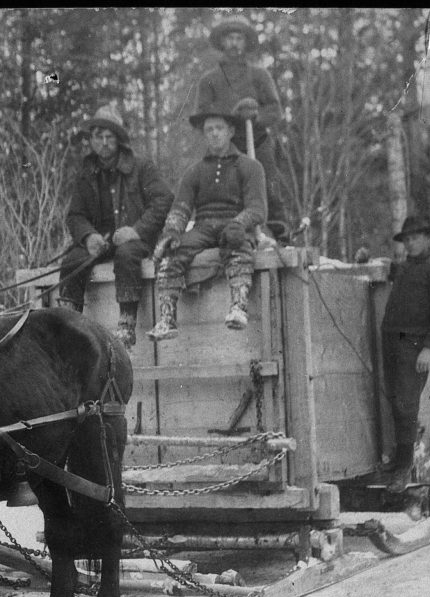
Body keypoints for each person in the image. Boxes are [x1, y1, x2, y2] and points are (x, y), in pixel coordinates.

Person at [58, 104, 174, 348]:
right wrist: (89, 237)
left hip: (135, 241)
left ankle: (126, 323)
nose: (103, 143)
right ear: (91, 140)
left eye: (109, 137)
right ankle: (69, 323)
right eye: (98, 137)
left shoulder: (141, 166)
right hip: (101, 243)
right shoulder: (86, 172)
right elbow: (75, 215)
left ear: (120, 140)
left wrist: (137, 230)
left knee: (126, 254)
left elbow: (163, 199)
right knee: (72, 261)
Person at [146, 109, 267, 341]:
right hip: (203, 227)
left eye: (219, 128)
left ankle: (239, 307)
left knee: (237, 245)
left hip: (235, 225)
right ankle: (167, 318)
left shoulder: (249, 167)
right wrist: (171, 233)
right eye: (209, 130)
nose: (214, 134)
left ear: (231, 131)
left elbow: (257, 208)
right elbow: (181, 207)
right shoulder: (195, 171)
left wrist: (239, 223)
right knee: (173, 251)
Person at [379, 216, 430, 492]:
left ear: (428, 238)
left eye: (415, 238)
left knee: (406, 404)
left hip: (414, 346)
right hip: (392, 343)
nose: (410, 243)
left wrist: (428, 348)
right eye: (407, 239)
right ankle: (401, 460)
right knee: (396, 402)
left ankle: (403, 468)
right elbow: (392, 275)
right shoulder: (405, 268)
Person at [195, 14, 287, 224]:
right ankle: (223, 233)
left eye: (239, 38)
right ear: (222, 42)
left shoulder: (260, 76)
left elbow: (275, 109)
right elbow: (202, 116)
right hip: (226, 147)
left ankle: (281, 236)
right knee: (220, 192)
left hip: (258, 142)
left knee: (270, 189)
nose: (234, 44)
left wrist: (256, 117)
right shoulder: (209, 80)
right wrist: (229, 119)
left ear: (245, 43)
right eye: (230, 38)